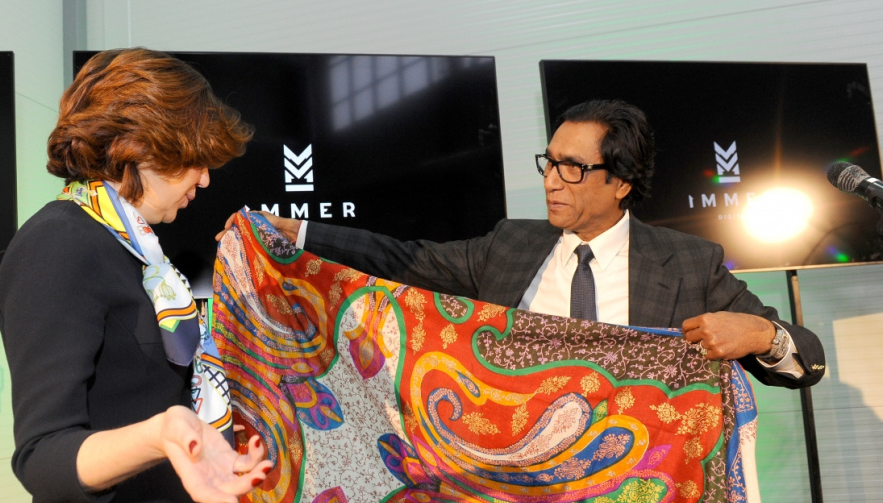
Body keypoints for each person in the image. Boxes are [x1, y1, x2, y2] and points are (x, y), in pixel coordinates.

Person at [241, 99, 824, 389]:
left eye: (573, 168)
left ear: (621, 182)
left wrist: (762, 335)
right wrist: (299, 232)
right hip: (522, 500)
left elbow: (806, 360)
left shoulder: (689, 263)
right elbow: (404, 259)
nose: (551, 180)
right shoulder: (511, 244)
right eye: (550, 161)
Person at [0, 48, 272, 503]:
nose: (204, 178)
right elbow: (42, 456)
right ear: (138, 145)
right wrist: (162, 434)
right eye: (194, 158)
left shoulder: (138, 251)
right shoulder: (57, 245)